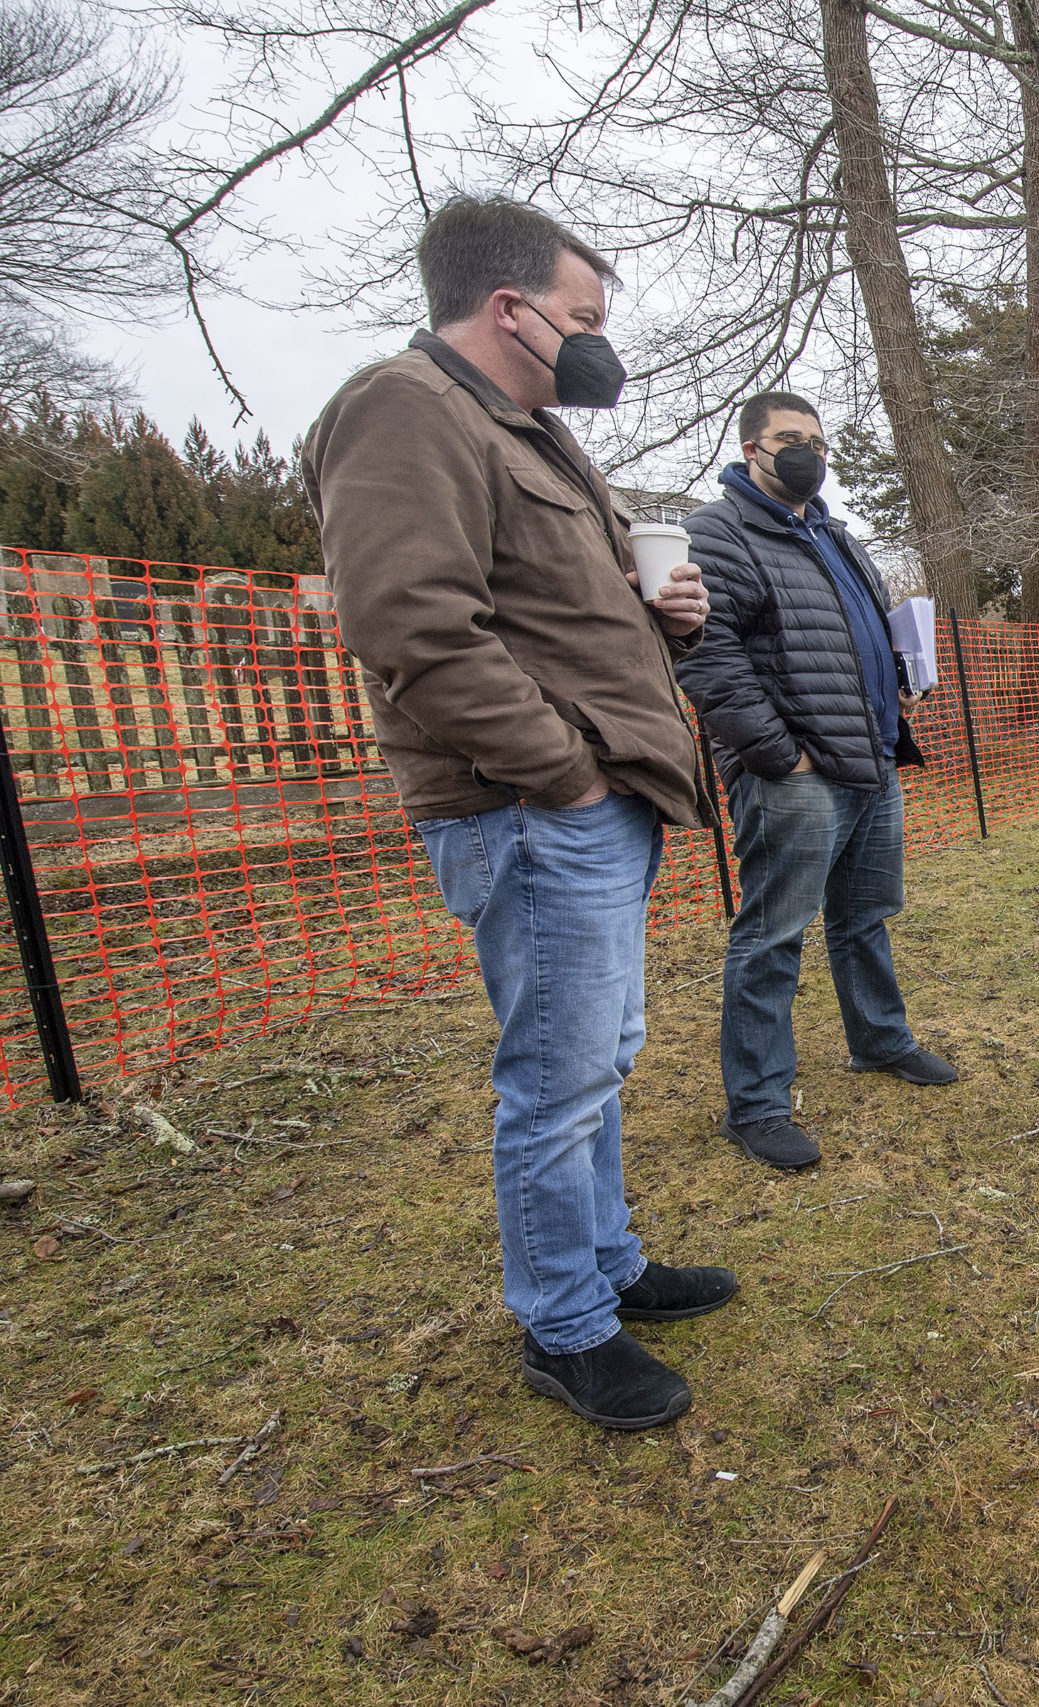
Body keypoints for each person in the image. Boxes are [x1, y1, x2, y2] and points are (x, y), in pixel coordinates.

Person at [305, 197, 737, 1432]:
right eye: (582, 316)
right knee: (554, 1079)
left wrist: (662, 616)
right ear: (510, 309)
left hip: (600, 801)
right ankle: (565, 1325)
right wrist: (565, 771)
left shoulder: (532, 434)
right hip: (538, 806)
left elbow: (554, 609)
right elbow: (413, 630)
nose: (598, 341)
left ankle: (608, 1264)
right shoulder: (405, 409)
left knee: (595, 1059)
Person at [675, 391, 954, 1173]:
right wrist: (777, 752)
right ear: (751, 448)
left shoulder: (833, 532)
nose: (809, 454)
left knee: (865, 915)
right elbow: (705, 654)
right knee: (773, 935)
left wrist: (900, 673)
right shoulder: (718, 533)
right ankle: (758, 1102)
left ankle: (880, 1039)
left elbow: (857, 628)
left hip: (870, 755)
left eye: (820, 443)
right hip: (795, 773)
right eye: (791, 439)